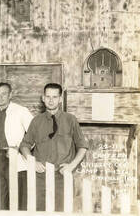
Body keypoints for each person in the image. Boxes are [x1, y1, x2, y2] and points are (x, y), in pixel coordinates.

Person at [19, 83, 88, 211]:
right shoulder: (36, 121)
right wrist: (32, 161)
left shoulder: (70, 120)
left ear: (60, 99)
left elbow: (82, 147)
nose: (51, 100)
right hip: (40, 177)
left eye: (55, 97)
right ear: (43, 98)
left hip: (62, 176)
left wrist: (71, 166)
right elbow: (24, 145)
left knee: (62, 211)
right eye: (48, 96)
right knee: (37, 211)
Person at [0, 82, 33, 210]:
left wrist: (19, 149)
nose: (0, 97)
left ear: (10, 95)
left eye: (4, 94)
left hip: (14, 157)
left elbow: (34, 133)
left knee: (16, 198)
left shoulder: (21, 111)